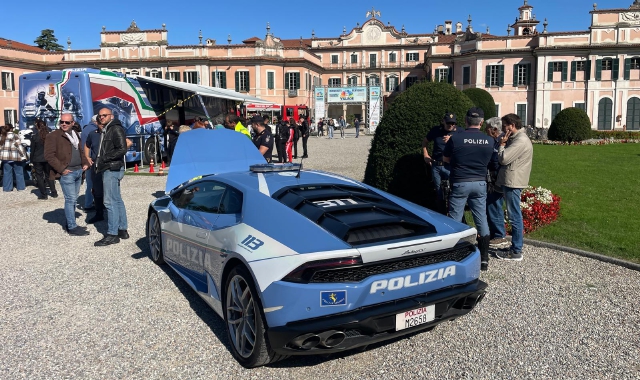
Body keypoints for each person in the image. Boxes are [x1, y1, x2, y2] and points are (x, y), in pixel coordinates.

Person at [443, 108, 494, 271]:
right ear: (481, 122)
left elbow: (446, 160)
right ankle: (484, 258)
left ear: (465, 121)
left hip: (460, 181)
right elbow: (493, 163)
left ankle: (455, 255)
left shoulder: (456, 139)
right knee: (481, 219)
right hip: (479, 182)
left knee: (455, 219)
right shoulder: (489, 141)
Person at [495, 113, 533, 262]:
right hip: (512, 180)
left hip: (513, 181)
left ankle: (516, 250)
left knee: (514, 216)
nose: (503, 129)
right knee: (514, 215)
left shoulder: (521, 140)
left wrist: (502, 145)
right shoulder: (517, 138)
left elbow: (503, 159)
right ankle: (515, 247)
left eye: (504, 126)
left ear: (511, 125)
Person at [44, 113, 90, 236]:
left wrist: (84, 163)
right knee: (70, 200)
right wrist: (62, 169)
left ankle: (71, 222)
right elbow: (49, 156)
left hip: (78, 171)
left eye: (67, 122)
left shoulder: (75, 135)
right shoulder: (53, 136)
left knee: (73, 199)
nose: (64, 124)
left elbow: (80, 151)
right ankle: (72, 227)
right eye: (62, 122)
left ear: (72, 123)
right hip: (67, 173)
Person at [93, 108, 129, 246]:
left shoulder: (115, 128)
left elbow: (122, 149)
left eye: (104, 115)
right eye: (99, 115)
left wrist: (103, 159)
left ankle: (112, 234)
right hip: (110, 167)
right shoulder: (107, 128)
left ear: (111, 116)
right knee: (116, 199)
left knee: (109, 202)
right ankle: (122, 229)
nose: (101, 117)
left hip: (111, 168)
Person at [423, 112, 464, 215]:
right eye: (448, 123)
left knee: (454, 191)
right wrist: (426, 155)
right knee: (439, 192)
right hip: (437, 165)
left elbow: (465, 146)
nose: (450, 125)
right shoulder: (436, 131)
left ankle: (455, 215)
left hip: (451, 166)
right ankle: (442, 215)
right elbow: (425, 142)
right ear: (443, 122)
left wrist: (453, 140)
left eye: (453, 123)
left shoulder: (460, 132)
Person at [484, 119, 509, 248]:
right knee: (491, 205)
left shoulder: (501, 140)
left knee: (494, 205)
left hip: (497, 178)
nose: (485, 130)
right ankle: (494, 233)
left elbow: (497, 160)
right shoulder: (495, 140)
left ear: (494, 130)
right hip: (493, 177)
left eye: (487, 128)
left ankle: (499, 235)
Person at [30, 119, 58, 199]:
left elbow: (33, 150)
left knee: (39, 176)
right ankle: (54, 192)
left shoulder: (35, 137)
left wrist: (31, 160)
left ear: (37, 127)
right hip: (47, 158)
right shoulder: (50, 136)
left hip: (37, 158)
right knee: (49, 175)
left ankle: (43, 194)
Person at [84, 119, 105, 224]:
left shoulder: (111, 133)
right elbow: (87, 145)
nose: (102, 125)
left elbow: (127, 142)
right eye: (99, 123)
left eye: (103, 123)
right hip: (96, 166)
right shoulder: (93, 134)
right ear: (96, 123)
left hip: (108, 166)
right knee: (96, 190)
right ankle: (99, 213)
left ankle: (112, 214)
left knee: (110, 191)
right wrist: (87, 157)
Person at [1, 124, 27, 192]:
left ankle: (7, 188)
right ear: (11, 129)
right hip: (15, 157)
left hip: (5, 158)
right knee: (19, 173)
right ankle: (21, 188)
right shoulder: (15, 136)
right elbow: (19, 146)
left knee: (6, 173)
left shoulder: (2, 136)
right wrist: (24, 155)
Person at [80, 116, 98, 209]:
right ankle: (89, 204)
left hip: (86, 159)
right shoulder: (94, 130)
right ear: (96, 121)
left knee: (89, 183)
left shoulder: (86, 128)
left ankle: (88, 203)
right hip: (92, 160)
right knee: (93, 184)